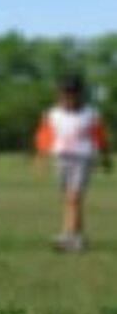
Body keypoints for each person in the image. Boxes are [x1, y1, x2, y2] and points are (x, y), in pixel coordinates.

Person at [35, 75, 111, 252]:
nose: (67, 97)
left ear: (79, 94)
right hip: (62, 158)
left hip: (83, 159)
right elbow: (44, 137)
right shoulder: (52, 114)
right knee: (70, 200)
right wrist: (41, 156)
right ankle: (77, 237)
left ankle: (67, 236)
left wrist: (106, 158)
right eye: (64, 94)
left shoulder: (90, 114)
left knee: (74, 198)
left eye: (71, 94)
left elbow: (99, 137)